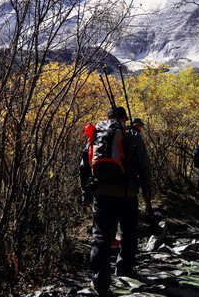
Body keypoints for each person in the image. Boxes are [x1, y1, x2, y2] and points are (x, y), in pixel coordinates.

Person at [79, 106, 152, 296]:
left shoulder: (96, 134)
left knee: (101, 236)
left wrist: (85, 193)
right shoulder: (132, 135)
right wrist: (146, 188)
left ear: (108, 117)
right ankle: (124, 268)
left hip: (101, 194)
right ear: (125, 118)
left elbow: (84, 166)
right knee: (128, 233)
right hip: (127, 194)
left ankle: (100, 282)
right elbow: (144, 163)